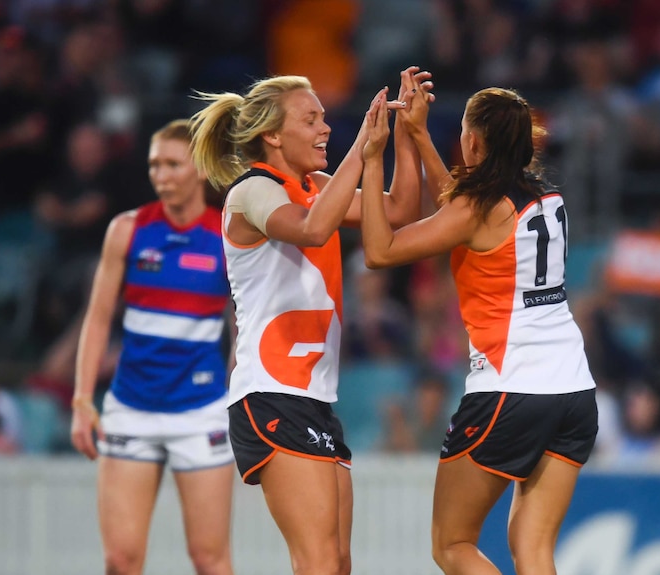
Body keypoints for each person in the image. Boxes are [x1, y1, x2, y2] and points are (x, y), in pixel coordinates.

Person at [189, 69, 426, 575]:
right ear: (271, 135)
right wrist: (365, 144)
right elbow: (313, 230)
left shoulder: (317, 185)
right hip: (271, 392)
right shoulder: (250, 192)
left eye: (323, 118)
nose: (325, 129)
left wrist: (405, 133)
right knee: (318, 561)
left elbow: (402, 208)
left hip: (314, 399)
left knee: (336, 563)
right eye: (311, 119)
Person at [359, 85, 598, 575]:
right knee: (532, 549)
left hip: (510, 389)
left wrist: (371, 158)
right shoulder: (547, 198)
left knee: (452, 545)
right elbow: (460, 203)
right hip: (573, 389)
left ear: (472, 143)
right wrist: (420, 135)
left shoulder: (475, 209)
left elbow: (380, 252)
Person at [69, 119, 235, 575]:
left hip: (201, 409)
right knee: (120, 561)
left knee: (209, 559)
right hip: (131, 408)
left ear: (200, 167)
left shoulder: (227, 233)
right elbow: (98, 318)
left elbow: (243, 327)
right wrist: (83, 400)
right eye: (154, 165)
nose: (161, 175)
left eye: (172, 164)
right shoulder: (127, 230)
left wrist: (240, 402)